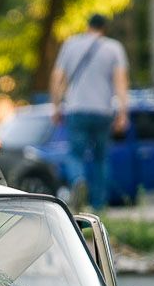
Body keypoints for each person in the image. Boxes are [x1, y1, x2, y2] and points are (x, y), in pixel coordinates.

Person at [49, 14, 129, 211]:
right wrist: (123, 113)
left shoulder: (70, 44)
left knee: (75, 154)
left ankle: (78, 180)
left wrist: (56, 106)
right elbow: (121, 81)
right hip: (103, 111)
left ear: (88, 27)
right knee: (101, 158)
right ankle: (99, 205)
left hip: (77, 109)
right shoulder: (114, 48)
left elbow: (57, 77)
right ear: (104, 28)